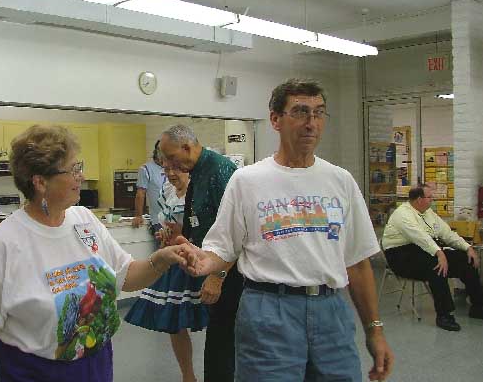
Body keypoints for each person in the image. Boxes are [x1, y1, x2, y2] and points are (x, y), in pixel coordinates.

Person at [180, 79, 394, 382]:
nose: (311, 123)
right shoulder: (247, 181)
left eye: (319, 113)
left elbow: (358, 263)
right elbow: (223, 247)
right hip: (269, 311)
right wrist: (205, 261)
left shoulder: (340, 181)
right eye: (301, 112)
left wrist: (374, 330)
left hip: (331, 311)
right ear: (275, 119)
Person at [0, 125, 189, 382]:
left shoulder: (84, 219)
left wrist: (162, 259)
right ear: (40, 182)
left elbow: (127, 275)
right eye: (73, 169)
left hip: (96, 365)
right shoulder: (4, 243)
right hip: (36, 373)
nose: (81, 176)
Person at [159, 125, 243, 382]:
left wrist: (217, 276)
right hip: (208, 264)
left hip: (229, 273)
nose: (169, 165)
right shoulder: (198, 172)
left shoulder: (220, 171)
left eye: (171, 157)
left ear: (186, 147)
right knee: (218, 339)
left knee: (222, 341)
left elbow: (236, 231)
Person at [125, 166, 207, 382]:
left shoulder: (200, 191)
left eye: (176, 168)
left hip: (200, 260)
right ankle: (188, 375)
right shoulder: (168, 191)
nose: (171, 173)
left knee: (215, 319)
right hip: (175, 262)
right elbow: (165, 221)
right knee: (175, 322)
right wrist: (165, 234)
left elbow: (210, 228)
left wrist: (186, 233)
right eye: (166, 168)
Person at [382, 184, 483, 331]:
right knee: (436, 266)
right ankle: (444, 315)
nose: (432, 199)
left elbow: (447, 234)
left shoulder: (428, 213)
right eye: (429, 197)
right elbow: (420, 237)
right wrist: (439, 253)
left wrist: (467, 248)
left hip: (426, 250)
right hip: (400, 256)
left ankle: (478, 306)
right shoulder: (402, 214)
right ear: (419, 199)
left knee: (465, 259)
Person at [132, 140, 166, 243]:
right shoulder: (146, 169)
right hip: (158, 221)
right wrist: (138, 215)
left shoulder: (174, 167)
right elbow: (140, 193)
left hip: (176, 220)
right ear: (156, 152)